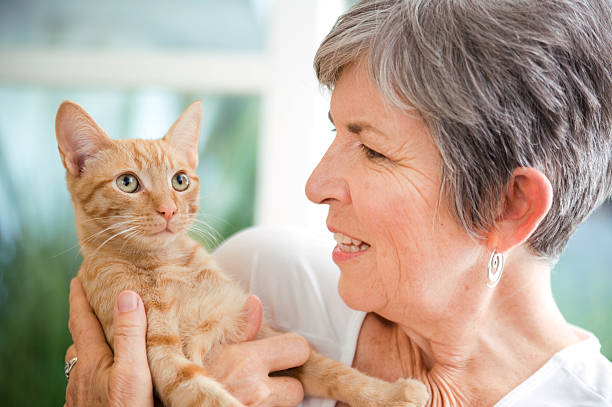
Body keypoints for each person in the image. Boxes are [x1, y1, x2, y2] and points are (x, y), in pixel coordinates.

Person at [64, 0, 612, 405]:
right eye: (334, 134)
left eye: (372, 149)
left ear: (507, 206)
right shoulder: (266, 277)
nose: (316, 183)